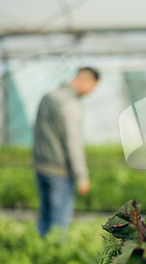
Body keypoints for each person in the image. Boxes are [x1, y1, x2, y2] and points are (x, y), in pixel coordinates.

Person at [33, 67, 99, 237]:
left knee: (45, 218)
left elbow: (38, 131)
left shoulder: (48, 97)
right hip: (60, 173)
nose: (90, 93)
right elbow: (73, 142)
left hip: (41, 168)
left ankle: (40, 255)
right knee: (58, 225)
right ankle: (55, 257)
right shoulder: (71, 105)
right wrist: (82, 175)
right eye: (92, 88)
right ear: (86, 81)